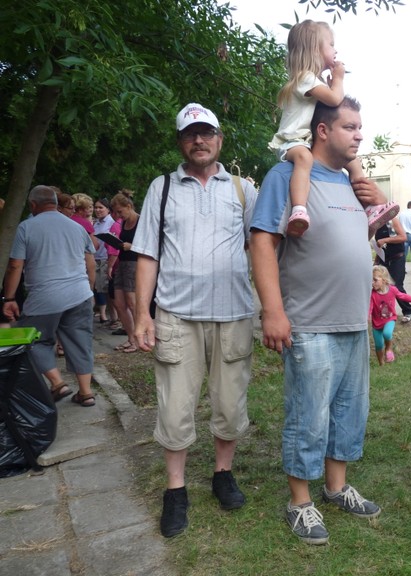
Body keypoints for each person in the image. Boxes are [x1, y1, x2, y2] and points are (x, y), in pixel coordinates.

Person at [251, 96, 384, 546]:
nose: (359, 135)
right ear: (322, 130)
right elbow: (263, 243)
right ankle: (299, 502)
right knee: (308, 415)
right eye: (350, 127)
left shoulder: (351, 182)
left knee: (349, 411)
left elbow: (353, 238)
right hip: (308, 320)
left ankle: (336, 487)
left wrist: (374, 207)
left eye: (360, 127)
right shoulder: (287, 176)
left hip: (353, 319)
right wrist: (273, 311)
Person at [131, 102, 258, 538]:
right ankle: (175, 489)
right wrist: (142, 314)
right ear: (180, 142)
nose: (199, 140)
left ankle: (223, 473)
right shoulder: (162, 187)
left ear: (219, 139)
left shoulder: (242, 190)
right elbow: (147, 254)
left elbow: (261, 248)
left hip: (233, 314)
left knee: (230, 402)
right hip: (176, 315)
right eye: (190, 134)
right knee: (174, 407)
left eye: (206, 133)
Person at [269, 19, 397, 237]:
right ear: (314, 49)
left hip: (306, 140)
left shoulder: (313, 81)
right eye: (330, 44)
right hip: (292, 141)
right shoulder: (305, 78)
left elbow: (331, 105)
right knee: (305, 159)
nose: (335, 50)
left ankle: (370, 208)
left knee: (354, 163)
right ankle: (299, 209)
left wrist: (330, 85)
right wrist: (338, 78)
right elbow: (335, 99)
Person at [1, 185, 97, 406]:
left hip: (45, 297)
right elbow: (90, 263)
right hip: (80, 293)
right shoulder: (77, 227)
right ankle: (86, 393)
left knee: (33, 339)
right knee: (81, 341)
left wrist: (9, 298)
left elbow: (15, 265)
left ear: (33, 205)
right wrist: (89, 290)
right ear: (55, 202)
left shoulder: (26, 228)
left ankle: (57, 383)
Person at [369, 264, 411, 365]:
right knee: (378, 345)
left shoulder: (392, 290)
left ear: (384, 280)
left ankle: (389, 348)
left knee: (387, 333)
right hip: (376, 323)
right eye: (371, 280)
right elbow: (370, 307)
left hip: (389, 319)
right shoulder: (372, 294)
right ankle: (381, 364)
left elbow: (403, 296)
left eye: (375, 280)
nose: (372, 283)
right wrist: (367, 317)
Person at [110, 193, 140, 353]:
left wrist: (132, 246)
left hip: (135, 263)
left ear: (129, 206)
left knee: (132, 302)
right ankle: (130, 338)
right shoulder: (123, 223)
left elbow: (151, 245)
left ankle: (139, 339)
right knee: (119, 303)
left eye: (120, 211)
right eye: (116, 212)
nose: (118, 215)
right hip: (122, 263)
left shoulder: (141, 221)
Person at [374, 217, 411, 322]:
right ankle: (384, 312)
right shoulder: (377, 224)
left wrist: (385, 240)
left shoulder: (392, 220)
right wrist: (376, 261)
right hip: (384, 259)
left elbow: (403, 237)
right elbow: (380, 246)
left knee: (396, 286)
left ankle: (408, 310)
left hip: (397, 258)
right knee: (381, 285)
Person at [93, 197, 121, 325]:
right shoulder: (96, 223)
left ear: (108, 210)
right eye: (96, 207)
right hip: (97, 258)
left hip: (107, 259)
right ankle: (112, 318)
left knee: (108, 290)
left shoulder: (111, 223)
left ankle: (115, 318)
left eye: (101, 207)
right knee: (101, 289)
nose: (97, 210)